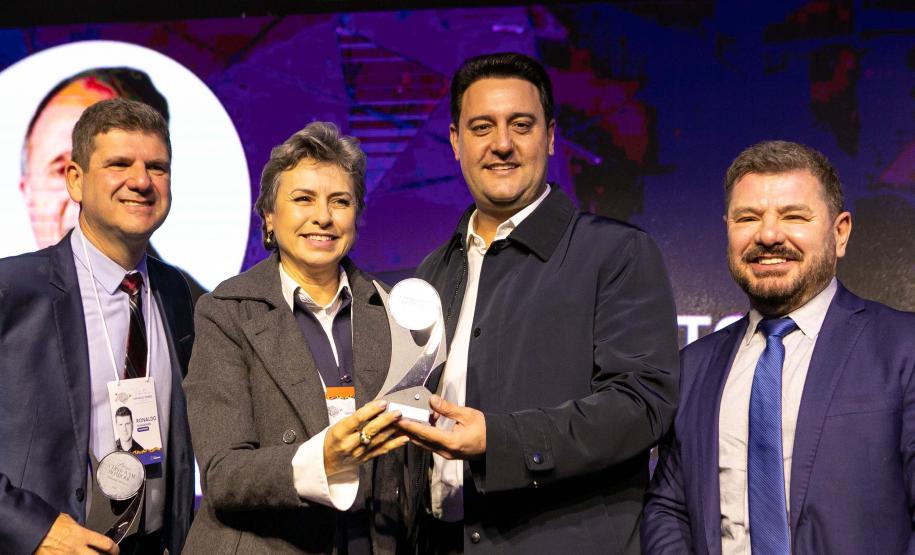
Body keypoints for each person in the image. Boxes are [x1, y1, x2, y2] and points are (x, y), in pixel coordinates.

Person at [394, 52, 680, 554]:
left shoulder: (615, 254)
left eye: (520, 125)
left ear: (550, 136)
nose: (501, 144)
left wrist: (498, 441)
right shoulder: (430, 275)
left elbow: (641, 406)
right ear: (456, 143)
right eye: (481, 127)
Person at [642, 140, 915, 554]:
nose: (768, 235)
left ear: (840, 233)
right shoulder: (694, 366)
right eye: (747, 217)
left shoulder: (903, 349)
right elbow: (669, 506)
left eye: (793, 216)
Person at [183, 122, 409, 554]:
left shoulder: (392, 311)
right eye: (302, 199)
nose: (322, 216)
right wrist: (321, 460)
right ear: (269, 215)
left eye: (339, 201)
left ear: (356, 217)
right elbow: (223, 473)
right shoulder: (227, 311)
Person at [0, 98, 195, 554]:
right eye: (119, 164)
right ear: (75, 180)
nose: (142, 181)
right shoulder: (13, 290)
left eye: (158, 167)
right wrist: (29, 530)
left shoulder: (182, 295)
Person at [19, 67, 169, 250]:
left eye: (117, 164)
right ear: (28, 193)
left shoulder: (175, 280)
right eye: (60, 171)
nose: (82, 194)